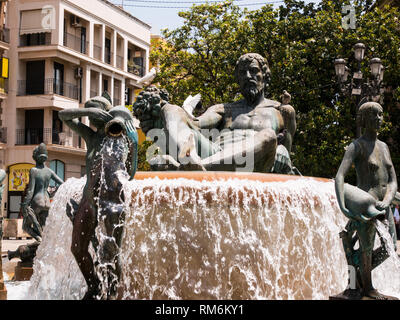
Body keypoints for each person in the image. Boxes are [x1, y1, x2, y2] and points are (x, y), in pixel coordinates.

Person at [135, 53, 296, 173]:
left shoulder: (281, 110)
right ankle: (191, 161)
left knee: (268, 136)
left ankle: (194, 168)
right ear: (238, 80)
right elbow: (194, 124)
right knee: (171, 109)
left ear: (265, 76)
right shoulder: (225, 109)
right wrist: (162, 112)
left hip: (255, 163)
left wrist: (282, 152)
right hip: (216, 153)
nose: (248, 76)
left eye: (253, 71)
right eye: (242, 73)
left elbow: (286, 155)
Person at [59, 93, 138, 300]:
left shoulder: (120, 138)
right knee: (77, 247)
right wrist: (87, 111)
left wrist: (134, 145)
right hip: (89, 201)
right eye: (92, 114)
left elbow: (130, 174)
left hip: (113, 202)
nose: (93, 120)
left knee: (112, 251)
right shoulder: (91, 136)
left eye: (97, 112)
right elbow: (63, 115)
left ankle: (111, 292)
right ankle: (93, 286)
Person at [335, 102, 398, 300]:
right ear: (363, 119)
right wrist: (344, 206)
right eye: (373, 115)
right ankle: (367, 288)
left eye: (380, 115)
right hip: (365, 205)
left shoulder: (384, 147)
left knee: (391, 248)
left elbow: (393, 180)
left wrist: (388, 200)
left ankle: (355, 273)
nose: (378, 119)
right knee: (366, 249)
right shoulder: (357, 146)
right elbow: (340, 177)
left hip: (383, 205)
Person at [21, 143, 64, 242]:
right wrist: (54, 193)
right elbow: (63, 183)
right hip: (47, 202)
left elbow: (31, 190)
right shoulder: (49, 171)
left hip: (37, 202)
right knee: (43, 228)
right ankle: (43, 244)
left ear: (35, 157)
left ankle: (39, 239)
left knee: (26, 226)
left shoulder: (34, 171)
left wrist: (25, 204)